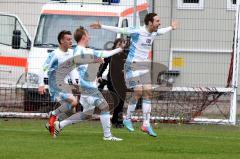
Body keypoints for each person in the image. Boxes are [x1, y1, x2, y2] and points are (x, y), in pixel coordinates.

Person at [90, 13, 178, 137]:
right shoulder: (138, 31)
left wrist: (171, 27)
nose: (159, 23)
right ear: (150, 22)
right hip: (132, 66)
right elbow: (120, 30)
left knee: (147, 92)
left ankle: (146, 124)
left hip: (143, 67)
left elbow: (162, 31)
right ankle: (128, 118)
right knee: (138, 91)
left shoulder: (154, 32)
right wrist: (102, 26)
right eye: (157, 21)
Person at [53, 26, 125, 141]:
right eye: (88, 35)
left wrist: (97, 60)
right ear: (83, 37)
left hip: (86, 87)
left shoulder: (82, 50)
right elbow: (98, 56)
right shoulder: (82, 51)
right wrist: (116, 50)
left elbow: (97, 58)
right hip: (87, 87)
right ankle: (107, 136)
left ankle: (60, 125)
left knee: (87, 114)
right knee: (105, 107)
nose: (90, 37)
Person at [38, 30, 78, 137]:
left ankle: (52, 121)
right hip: (55, 84)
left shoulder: (70, 53)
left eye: (71, 39)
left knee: (72, 109)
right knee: (73, 102)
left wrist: (75, 82)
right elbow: (43, 69)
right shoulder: (54, 54)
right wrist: (41, 84)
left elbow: (71, 69)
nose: (71, 41)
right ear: (61, 41)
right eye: (68, 39)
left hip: (64, 84)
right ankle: (54, 118)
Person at [97, 38, 126, 128]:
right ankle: (115, 121)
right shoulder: (110, 54)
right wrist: (99, 75)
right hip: (112, 81)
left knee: (122, 100)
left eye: (123, 44)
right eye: (119, 44)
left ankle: (117, 120)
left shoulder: (125, 55)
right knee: (117, 99)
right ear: (115, 45)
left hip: (121, 81)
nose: (121, 46)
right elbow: (104, 65)